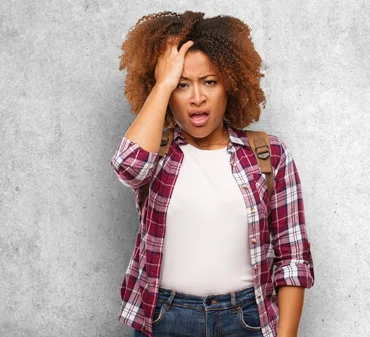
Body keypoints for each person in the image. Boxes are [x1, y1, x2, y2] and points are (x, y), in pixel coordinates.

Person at [110, 10, 314, 337]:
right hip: (166, 320)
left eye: (209, 81)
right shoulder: (155, 154)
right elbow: (128, 167)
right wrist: (163, 83)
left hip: (247, 320)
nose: (197, 98)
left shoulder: (269, 154)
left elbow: (293, 259)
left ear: (230, 85)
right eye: (181, 85)